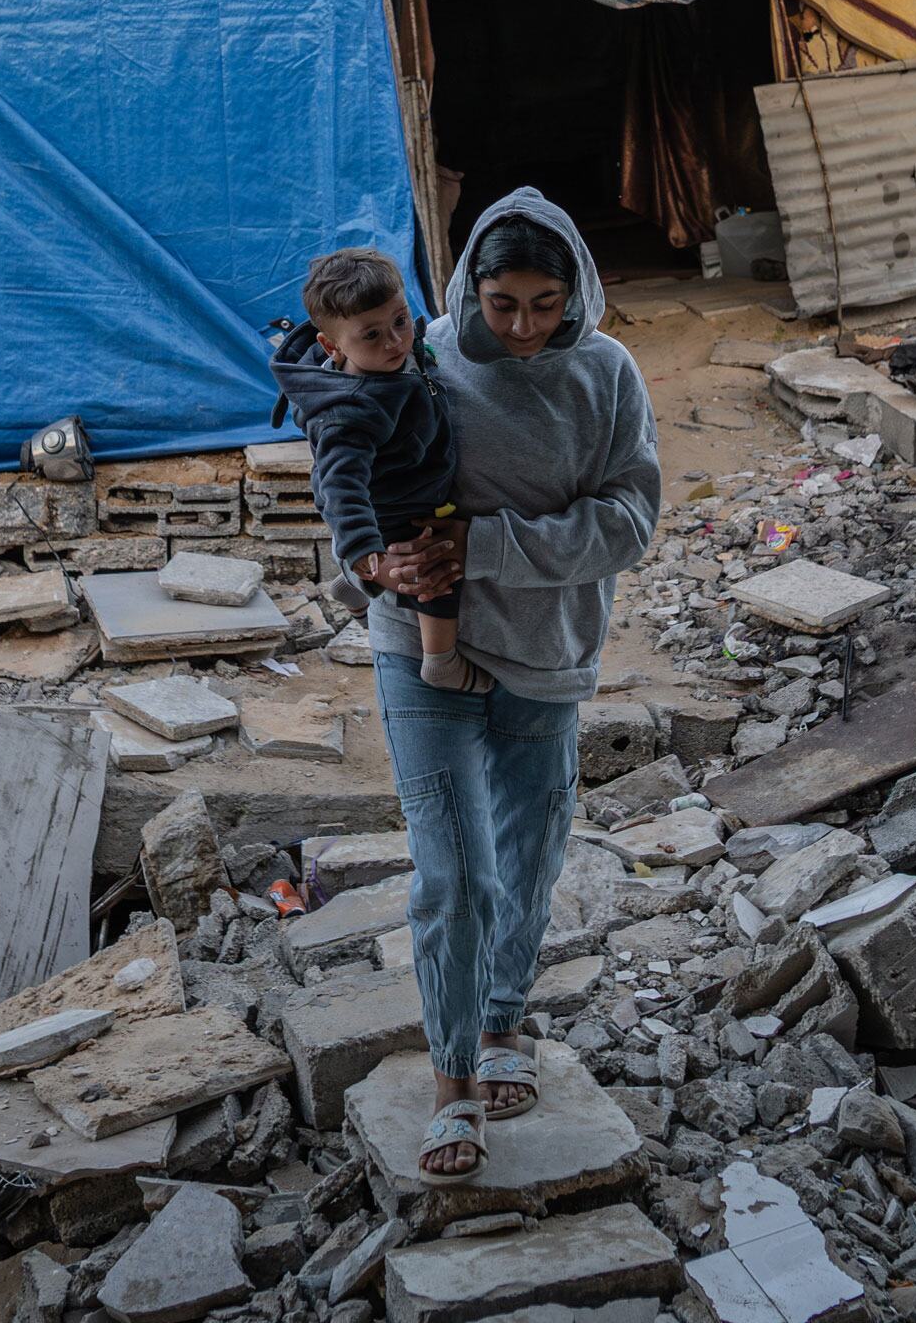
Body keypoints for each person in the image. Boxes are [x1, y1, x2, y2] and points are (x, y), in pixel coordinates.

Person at [361, 189, 660, 1178]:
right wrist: (371, 562)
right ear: (468, 290)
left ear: (577, 288)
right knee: (455, 874)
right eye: (501, 303)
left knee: (528, 862)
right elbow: (357, 491)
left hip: (546, 654)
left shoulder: (608, 374)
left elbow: (628, 520)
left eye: (544, 302)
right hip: (421, 649)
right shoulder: (426, 362)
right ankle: (451, 1083)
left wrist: (481, 542)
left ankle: (498, 1024)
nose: (525, 326)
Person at [270, 246, 474, 687]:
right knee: (435, 575)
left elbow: (410, 348)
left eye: (400, 321)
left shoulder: (398, 355)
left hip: (414, 479)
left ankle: (352, 589)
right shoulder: (351, 411)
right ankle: (441, 662)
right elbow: (339, 484)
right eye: (372, 335)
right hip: (395, 508)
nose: (395, 341)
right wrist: (361, 546)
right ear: (331, 345)